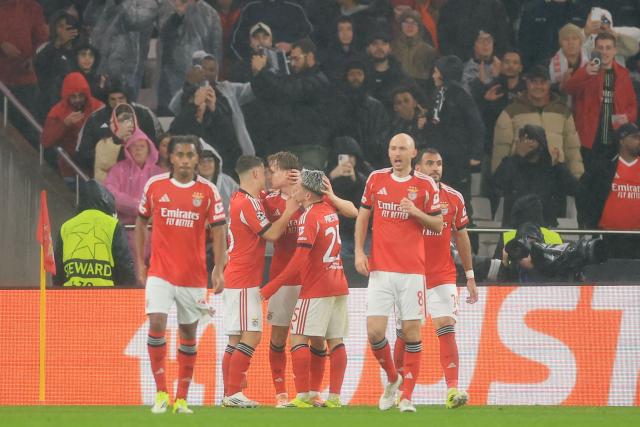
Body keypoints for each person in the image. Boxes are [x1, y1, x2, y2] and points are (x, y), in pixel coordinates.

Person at [135, 135, 227, 414]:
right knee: (157, 324)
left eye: (190, 155)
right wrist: (141, 262)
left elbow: (220, 230)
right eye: (180, 155)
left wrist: (219, 269)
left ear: (198, 159)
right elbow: (141, 221)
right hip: (160, 272)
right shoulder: (155, 186)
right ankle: (162, 393)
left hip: (193, 276)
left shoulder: (209, 191)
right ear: (171, 158)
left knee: (188, 332)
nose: (185, 160)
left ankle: (182, 398)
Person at [354, 133, 443, 413]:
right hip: (380, 270)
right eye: (393, 147)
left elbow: (439, 225)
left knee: (412, 333)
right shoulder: (376, 179)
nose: (397, 152)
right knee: (374, 332)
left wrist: (416, 212)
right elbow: (363, 215)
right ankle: (393, 378)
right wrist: (358, 251)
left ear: (413, 152)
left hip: (412, 271)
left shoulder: (426, 184)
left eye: (402, 148)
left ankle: (406, 397)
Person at [261, 151, 357, 407]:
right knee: (280, 338)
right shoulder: (268, 199)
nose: (270, 175)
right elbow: (268, 234)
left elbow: (353, 210)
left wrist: (270, 287)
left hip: (309, 280)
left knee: (309, 338)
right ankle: (283, 393)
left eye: (274, 170)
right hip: (312, 278)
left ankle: (309, 393)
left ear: (291, 173)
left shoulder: (312, 207)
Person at [393, 148, 477, 408]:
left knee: (445, 325)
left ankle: (453, 390)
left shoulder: (453, 198)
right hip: (410, 275)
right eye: (429, 163)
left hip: (441, 274)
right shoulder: (403, 197)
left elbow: (461, 236)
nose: (435, 168)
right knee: (405, 334)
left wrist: (470, 275)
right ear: (417, 168)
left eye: (439, 163)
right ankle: (399, 389)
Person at [221, 155, 299, 408]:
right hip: (244, 280)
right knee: (252, 335)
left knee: (235, 339)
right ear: (255, 174)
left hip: (236, 277)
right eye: (264, 173)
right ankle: (233, 393)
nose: (267, 177)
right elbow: (274, 234)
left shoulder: (238, 198)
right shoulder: (249, 204)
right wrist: (290, 209)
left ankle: (229, 393)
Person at [250, 38, 332, 169]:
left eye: (296, 59)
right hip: (288, 148)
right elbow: (269, 93)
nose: (293, 64)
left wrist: (263, 72)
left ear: (310, 57)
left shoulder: (319, 81)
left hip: (311, 148)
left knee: (310, 185)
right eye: (290, 60)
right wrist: (257, 74)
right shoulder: (294, 78)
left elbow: (287, 91)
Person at [492, 65, 584, 180]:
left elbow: (572, 150)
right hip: (521, 180)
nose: (538, 86)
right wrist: (498, 184)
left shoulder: (563, 112)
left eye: (543, 82)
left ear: (549, 84)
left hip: (554, 180)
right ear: (526, 83)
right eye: (534, 82)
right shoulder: (510, 112)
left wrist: (578, 179)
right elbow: (500, 151)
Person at [424, 55, 484, 221]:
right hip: (438, 158)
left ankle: (470, 245)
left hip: (457, 160)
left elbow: (476, 125)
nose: (433, 76)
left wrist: (476, 154)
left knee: (460, 204)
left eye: (436, 72)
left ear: (445, 73)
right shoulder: (437, 94)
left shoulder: (461, 96)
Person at [563, 33, 637, 167]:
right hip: (589, 136)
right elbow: (569, 89)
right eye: (600, 48)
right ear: (594, 50)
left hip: (614, 136)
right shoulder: (586, 70)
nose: (604, 52)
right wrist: (585, 73)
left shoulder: (623, 74)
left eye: (608, 48)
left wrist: (626, 117)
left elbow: (632, 106)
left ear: (615, 51)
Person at [53, 179, 135, 287]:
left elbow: (57, 271)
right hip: (106, 297)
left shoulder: (66, 227)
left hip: (71, 297)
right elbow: (124, 266)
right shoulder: (113, 225)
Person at [492, 124, 578, 228]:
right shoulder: (511, 164)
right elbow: (495, 186)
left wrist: (558, 165)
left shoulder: (551, 168)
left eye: (532, 139)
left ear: (541, 144)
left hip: (544, 227)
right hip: (513, 227)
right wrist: (518, 156)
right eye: (524, 139)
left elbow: (574, 189)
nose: (528, 143)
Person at [578, 123, 640, 259]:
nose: (639, 141)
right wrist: (589, 222)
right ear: (622, 140)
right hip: (609, 235)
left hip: (637, 236)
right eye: (635, 137)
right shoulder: (604, 168)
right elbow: (584, 192)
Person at [104, 128, 165, 267]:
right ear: (128, 149)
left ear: (149, 149)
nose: (138, 150)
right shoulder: (118, 169)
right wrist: (139, 206)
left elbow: (167, 199)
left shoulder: (159, 174)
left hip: (155, 233)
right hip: (126, 231)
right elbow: (111, 193)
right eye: (134, 146)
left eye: (142, 146)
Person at [76, 78, 161, 175]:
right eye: (112, 99)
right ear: (107, 100)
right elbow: (82, 154)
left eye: (121, 98)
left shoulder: (144, 115)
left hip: (141, 174)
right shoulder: (95, 119)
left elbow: (156, 146)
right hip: (106, 176)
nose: (117, 103)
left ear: (127, 98)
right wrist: (114, 154)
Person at [156, 0, 223, 115]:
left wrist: (213, 80)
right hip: (171, 81)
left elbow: (216, 51)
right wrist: (177, 16)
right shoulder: (168, 8)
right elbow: (164, 37)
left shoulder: (210, 13)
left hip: (202, 82)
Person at [83, 0, 158, 101]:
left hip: (128, 71)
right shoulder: (108, 2)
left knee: (124, 111)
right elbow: (88, 18)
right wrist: (97, 2)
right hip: (100, 67)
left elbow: (134, 20)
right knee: (100, 108)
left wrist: (121, 2)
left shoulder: (148, 3)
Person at [0, 0, 49, 147]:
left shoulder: (32, 7)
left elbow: (42, 41)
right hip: (1, 82)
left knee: (29, 132)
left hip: (25, 81)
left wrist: (34, 59)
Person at [41, 72, 104, 180]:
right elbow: (46, 141)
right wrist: (64, 124)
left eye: (81, 95)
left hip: (98, 168)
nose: (78, 100)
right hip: (71, 170)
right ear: (66, 96)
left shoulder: (98, 107)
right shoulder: (57, 112)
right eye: (73, 96)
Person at [336, 59, 390, 168]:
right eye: (352, 74)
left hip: (372, 161)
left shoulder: (376, 107)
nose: (355, 78)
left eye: (359, 74)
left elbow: (383, 135)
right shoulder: (338, 105)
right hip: (345, 160)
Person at [230, 0, 312, 61]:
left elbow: (307, 42)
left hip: (290, 69)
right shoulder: (251, 9)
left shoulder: (295, 11)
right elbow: (238, 41)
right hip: (258, 71)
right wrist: (253, 59)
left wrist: (291, 46)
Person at [34, 11, 81, 114]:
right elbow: (38, 65)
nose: (64, 31)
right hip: (47, 105)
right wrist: (57, 44)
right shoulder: (46, 48)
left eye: (68, 28)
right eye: (60, 26)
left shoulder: (81, 52)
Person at [517, 0, 588, 68]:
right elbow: (524, 44)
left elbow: (586, 41)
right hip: (540, 71)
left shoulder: (581, 10)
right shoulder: (533, 9)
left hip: (574, 69)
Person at [437, 0, 509, 61]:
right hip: (458, 65)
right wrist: (466, 57)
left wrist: (489, 58)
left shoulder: (495, 6)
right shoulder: (449, 7)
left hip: (489, 65)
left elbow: (502, 40)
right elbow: (443, 41)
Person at [365, 31, 413, 113]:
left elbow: (421, 101)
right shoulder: (361, 75)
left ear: (390, 48)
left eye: (384, 44)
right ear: (368, 48)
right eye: (375, 44)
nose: (379, 48)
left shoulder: (401, 76)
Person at [391, 9, 437, 87]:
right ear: (400, 25)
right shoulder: (391, 48)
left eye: (414, 23)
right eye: (406, 22)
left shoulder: (429, 51)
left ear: (419, 27)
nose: (410, 26)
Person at [198, 139, 238, 212]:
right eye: (201, 162)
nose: (206, 165)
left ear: (216, 163)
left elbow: (241, 203)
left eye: (209, 161)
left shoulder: (228, 182)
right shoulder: (191, 183)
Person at [549, 24, 588, 94]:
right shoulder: (548, 64)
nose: (570, 43)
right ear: (561, 43)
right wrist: (560, 86)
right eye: (566, 39)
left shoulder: (589, 64)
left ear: (580, 42)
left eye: (575, 38)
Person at [461, 30, 502, 94]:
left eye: (489, 40)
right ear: (474, 45)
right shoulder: (464, 69)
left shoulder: (501, 66)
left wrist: (498, 76)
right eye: (481, 40)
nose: (486, 44)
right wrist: (480, 82)